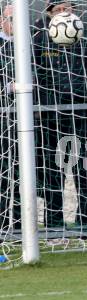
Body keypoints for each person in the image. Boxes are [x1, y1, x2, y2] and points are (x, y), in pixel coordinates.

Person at [32, 0, 87, 227]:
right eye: (58, 10)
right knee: (53, 172)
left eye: (68, 8)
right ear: (50, 14)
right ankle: (54, 223)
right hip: (50, 117)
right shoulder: (38, 39)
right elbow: (35, 74)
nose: (65, 13)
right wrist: (40, 107)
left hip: (82, 114)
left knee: (85, 169)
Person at [0, 4, 20, 231]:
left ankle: (20, 225)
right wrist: (7, 87)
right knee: (4, 173)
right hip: (4, 117)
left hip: (28, 119)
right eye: (12, 18)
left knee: (22, 174)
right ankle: (4, 225)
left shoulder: (31, 44)